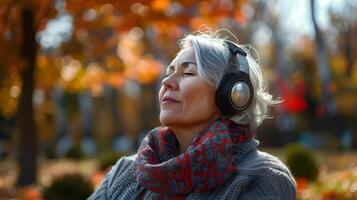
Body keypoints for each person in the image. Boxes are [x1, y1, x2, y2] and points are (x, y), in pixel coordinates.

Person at [89, 30, 296, 200]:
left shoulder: (263, 178)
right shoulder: (125, 171)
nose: (166, 82)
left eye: (188, 72)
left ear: (233, 94)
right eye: (169, 72)